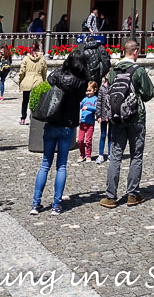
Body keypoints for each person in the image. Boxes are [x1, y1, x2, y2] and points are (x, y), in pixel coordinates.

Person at [30, 49, 88, 215]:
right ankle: (56, 205)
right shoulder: (81, 82)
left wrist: (63, 67)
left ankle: (35, 204)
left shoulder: (57, 76)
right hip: (67, 126)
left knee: (45, 164)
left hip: (52, 122)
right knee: (61, 165)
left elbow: (49, 78)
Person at [100, 39, 154, 208]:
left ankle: (110, 196)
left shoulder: (113, 71)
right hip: (136, 118)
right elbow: (148, 93)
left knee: (115, 156)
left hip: (116, 118)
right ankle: (133, 194)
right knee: (136, 156)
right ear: (135, 52)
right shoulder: (139, 71)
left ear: (124, 52)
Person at [18, 42, 47, 125]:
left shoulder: (26, 58)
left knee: (25, 101)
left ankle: (23, 118)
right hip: (38, 81)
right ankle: (33, 116)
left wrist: (20, 81)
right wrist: (43, 80)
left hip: (27, 80)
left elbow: (22, 71)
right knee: (36, 101)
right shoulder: (42, 59)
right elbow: (44, 71)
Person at [76, 80, 98, 162]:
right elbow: (79, 106)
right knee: (80, 140)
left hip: (90, 123)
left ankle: (88, 154)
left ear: (95, 90)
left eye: (90, 90)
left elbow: (96, 108)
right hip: (82, 122)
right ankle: (82, 153)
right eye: (87, 91)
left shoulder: (95, 99)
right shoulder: (84, 99)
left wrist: (88, 107)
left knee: (88, 140)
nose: (87, 92)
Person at [95, 76, 112, 164]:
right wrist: (98, 115)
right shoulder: (102, 88)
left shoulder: (113, 87)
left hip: (111, 115)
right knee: (103, 135)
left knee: (111, 135)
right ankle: (101, 154)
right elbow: (99, 102)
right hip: (103, 115)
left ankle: (110, 154)